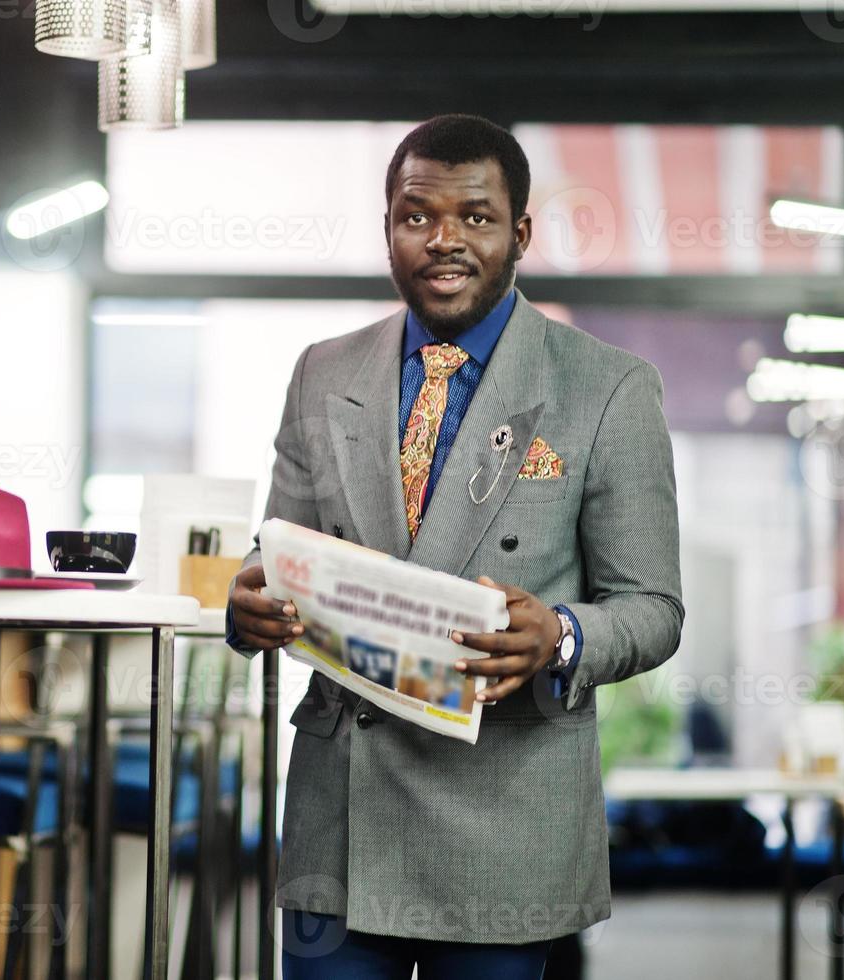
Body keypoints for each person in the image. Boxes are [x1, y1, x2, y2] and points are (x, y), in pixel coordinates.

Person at [226, 114, 684, 979]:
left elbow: (653, 609)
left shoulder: (606, 386)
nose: (443, 240)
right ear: (388, 228)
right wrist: (248, 605)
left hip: (500, 823)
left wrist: (562, 632)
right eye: (415, 215)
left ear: (519, 234)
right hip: (341, 821)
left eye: (474, 217)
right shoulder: (322, 370)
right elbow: (275, 552)